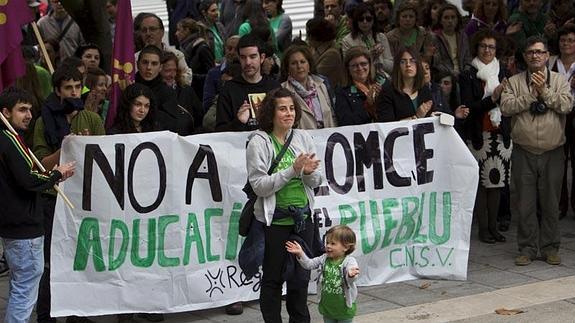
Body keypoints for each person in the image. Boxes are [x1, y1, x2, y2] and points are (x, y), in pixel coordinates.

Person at [33, 66, 104, 323]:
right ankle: (46, 314)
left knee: (80, 259)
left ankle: (78, 313)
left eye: (77, 87)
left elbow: (104, 159)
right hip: (53, 200)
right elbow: (41, 164)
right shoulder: (44, 121)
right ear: (57, 91)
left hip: (83, 200)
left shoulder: (92, 119)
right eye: (68, 88)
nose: (74, 92)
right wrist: (65, 145)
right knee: (51, 261)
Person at [246, 87, 322, 323]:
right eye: (282, 109)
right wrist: (293, 170)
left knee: (300, 279)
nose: (288, 113)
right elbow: (259, 186)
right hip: (275, 223)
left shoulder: (303, 137)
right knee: (273, 279)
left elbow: (317, 180)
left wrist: (308, 173)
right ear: (271, 112)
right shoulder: (258, 142)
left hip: (302, 221)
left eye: (291, 108)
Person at [0, 87, 75, 323]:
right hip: (24, 228)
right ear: (5, 112)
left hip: (13, 226)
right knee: (24, 292)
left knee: (19, 287)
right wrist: (56, 175)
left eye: (30, 110)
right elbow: (29, 179)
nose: (29, 115)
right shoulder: (10, 140)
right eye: (22, 110)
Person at [500, 36, 574, 266]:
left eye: (540, 52)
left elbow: (567, 105)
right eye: (531, 52)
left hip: (553, 150)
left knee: (551, 202)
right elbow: (506, 107)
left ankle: (551, 247)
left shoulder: (561, 80)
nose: (535, 56)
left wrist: (545, 92)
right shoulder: (514, 81)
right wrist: (531, 94)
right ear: (524, 56)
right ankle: (528, 248)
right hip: (524, 150)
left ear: (547, 55)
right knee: (525, 203)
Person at [460, 30, 510, 244]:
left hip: (500, 134)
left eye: (491, 46)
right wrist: (493, 98)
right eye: (483, 46)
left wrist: (502, 97)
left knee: (497, 183)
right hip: (478, 134)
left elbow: (510, 102)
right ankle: (483, 228)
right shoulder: (467, 73)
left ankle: (494, 226)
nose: (487, 50)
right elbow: (470, 107)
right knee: (482, 183)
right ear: (476, 48)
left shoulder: (503, 70)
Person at [286, 225, 360, 323]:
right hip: (328, 308)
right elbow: (309, 264)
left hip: (344, 309)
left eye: (333, 243)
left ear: (346, 247)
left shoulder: (349, 261)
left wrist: (351, 275)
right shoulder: (324, 258)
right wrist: (300, 253)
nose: (328, 246)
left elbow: (351, 280)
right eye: (327, 243)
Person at [215, 34, 280, 132]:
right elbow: (220, 132)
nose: (248, 62)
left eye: (252, 56)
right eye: (243, 57)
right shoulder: (229, 89)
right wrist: (238, 122)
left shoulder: (274, 88)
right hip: (240, 146)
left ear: (262, 58)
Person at [135, 45, 194, 136]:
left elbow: (176, 124)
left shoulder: (167, 92)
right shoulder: (129, 88)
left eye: (154, 63)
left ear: (160, 67)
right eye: (145, 62)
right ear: (138, 64)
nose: (149, 67)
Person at [549, 25, 575, 218]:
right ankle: (560, 204)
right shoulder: (550, 62)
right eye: (563, 40)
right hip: (556, 116)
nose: (566, 44)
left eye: (571, 40)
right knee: (558, 162)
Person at [280, 45, 337, 129]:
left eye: (302, 62)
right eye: (294, 63)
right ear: (287, 68)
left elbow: (332, 115)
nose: (299, 66)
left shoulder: (322, 85)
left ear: (309, 65)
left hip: (328, 139)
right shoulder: (283, 90)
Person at [135, 13, 193, 86]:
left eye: (152, 29)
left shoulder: (177, 55)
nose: (148, 33)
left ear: (162, 32)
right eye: (144, 30)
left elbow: (187, 80)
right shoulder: (135, 58)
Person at [376, 48, 434, 122]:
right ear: (398, 66)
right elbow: (387, 125)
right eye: (403, 62)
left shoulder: (424, 89)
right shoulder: (388, 92)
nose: (408, 65)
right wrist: (416, 117)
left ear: (418, 65)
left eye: (412, 61)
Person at [334, 46, 384, 126]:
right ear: (348, 69)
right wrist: (368, 107)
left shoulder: (383, 82)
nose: (360, 68)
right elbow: (345, 122)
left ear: (370, 64)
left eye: (363, 64)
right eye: (354, 65)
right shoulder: (342, 91)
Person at [341, 3, 394, 76]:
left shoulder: (381, 37)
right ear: (356, 21)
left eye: (368, 19)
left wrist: (379, 60)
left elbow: (391, 67)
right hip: (359, 78)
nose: (365, 22)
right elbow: (348, 67)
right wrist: (370, 55)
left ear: (373, 20)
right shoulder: (347, 40)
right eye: (361, 19)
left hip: (381, 77)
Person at [161, 51, 204, 130]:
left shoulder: (187, 91)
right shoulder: (154, 93)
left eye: (174, 70)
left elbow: (199, 117)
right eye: (167, 70)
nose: (172, 75)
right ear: (159, 70)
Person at [175, 18, 216, 101]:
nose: (176, 33)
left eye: (179, 30)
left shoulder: (202, 49)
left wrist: (190, 77)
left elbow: (212, 75)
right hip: (192, 94)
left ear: (187, 30)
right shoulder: (186, 48)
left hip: (202, 95)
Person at [431, 3, 471, 77]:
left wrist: (465, 72)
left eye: (453, 17)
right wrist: (452, 73)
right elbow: (437, 62)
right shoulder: (435, 37)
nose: (450, 21)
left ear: (457, 19)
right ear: (440, 20)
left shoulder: (462, 36)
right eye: (446, 18)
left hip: (463, 75)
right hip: (444, 75)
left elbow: (467, 58)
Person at [203, 35, 240, 112]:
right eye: (229, 48)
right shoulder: (213, 73)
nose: (232, 52)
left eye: (236, 49)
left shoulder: (247, 72)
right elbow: (207, 104)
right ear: (224, 49)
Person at [306, 18, 346, 88]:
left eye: (308, 34)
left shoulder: (332, 54)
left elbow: (315, 76)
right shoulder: (314, 48)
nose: (307, 38)